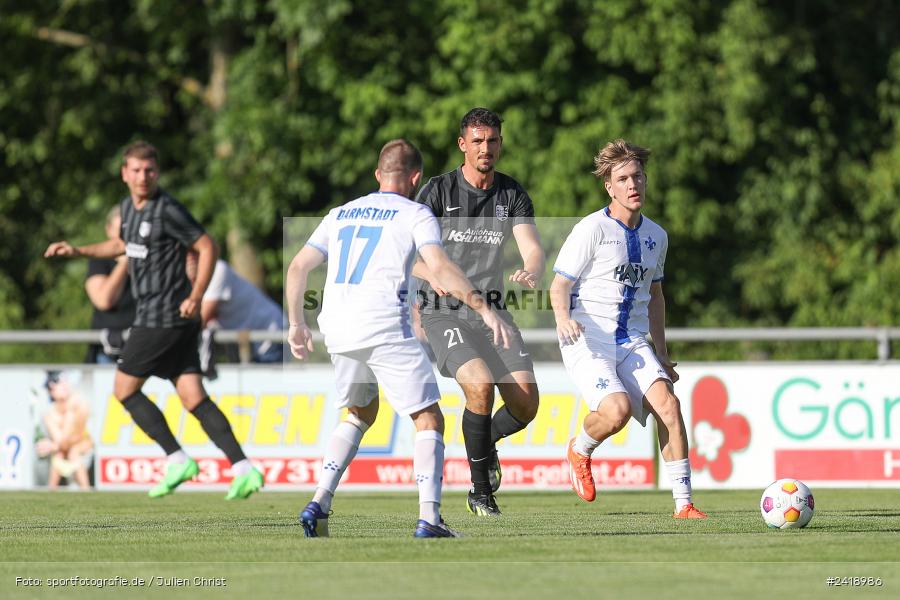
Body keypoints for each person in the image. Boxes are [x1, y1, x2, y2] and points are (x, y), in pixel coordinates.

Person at [286, 138, 513, 538]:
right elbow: (440, 267)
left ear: (378, 175)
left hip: (337, 328)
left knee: (359, 413)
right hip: (384, 325)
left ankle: (319, 501)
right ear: (415, 177)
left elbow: (298, 266)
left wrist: (296, 324)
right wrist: (483, 308)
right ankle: (429, 518)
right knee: (429, 418)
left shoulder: (340, 213)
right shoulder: (415, 213)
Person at [44, 140, 263, 500]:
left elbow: (208, 246)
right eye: (136, 170)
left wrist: (196, 295)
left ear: (156, 173)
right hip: (170, 318)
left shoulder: (167, 210)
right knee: (193, 397)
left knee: (124, 390)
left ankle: (177, 460)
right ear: (124, 173)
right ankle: (243, 468)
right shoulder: (128, 210)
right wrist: (78, 250)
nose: (143, 177)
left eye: (149, 170)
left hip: (163, 315)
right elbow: (119, 247)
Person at [550, 139, 707, 519]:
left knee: (669, 405)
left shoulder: (658, 236)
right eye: (622, 178)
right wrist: (562, 318)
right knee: (616, 412)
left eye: (637, 176)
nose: (632, 184)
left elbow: (656, 298)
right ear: (610, 187)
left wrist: (663, 355)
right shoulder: (591, 228)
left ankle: (683, 505)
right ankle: (580, 449)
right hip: (588, 338)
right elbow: (559, 285)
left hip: (631, 340)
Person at [412, 108, 544, 516]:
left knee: (525, 404)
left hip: (493, 312)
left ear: (500, 144)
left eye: (493, 141)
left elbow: (532, 248)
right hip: (443, 311)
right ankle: (480, 491)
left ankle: (482, 446)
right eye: (478, 141)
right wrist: (427, 272)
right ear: (462, 145)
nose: (486, 148)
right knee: (480, 385)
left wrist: (534, 268)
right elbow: (406, 256)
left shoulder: (511, 194)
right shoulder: (437, 191)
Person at [187, 255, 286, 363]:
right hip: (252, 342)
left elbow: (201, 318)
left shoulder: (218, 269)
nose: (190, 258)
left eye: (193, 253)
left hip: (271, 332)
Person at [84, 204, 136, 364]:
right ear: (108, 230)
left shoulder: (149, 259)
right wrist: (124, 264)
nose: (124, 237)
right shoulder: (99, 261)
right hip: (107, 352)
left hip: (142, 347)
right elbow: (103, 300)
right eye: (120, 231)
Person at [37, 371, 94, 490]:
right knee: (59, 454)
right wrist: (55, 446)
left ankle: (86, 491)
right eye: (57, 383)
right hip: (64, 449)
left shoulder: (79, 403)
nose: (63, 385)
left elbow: (77, 437)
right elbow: (62, 442)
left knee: (74, 451)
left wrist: (52, 446)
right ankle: (51, 493)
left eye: (63, 382)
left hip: (82, 445)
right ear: (51, 391)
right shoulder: (50, 415)